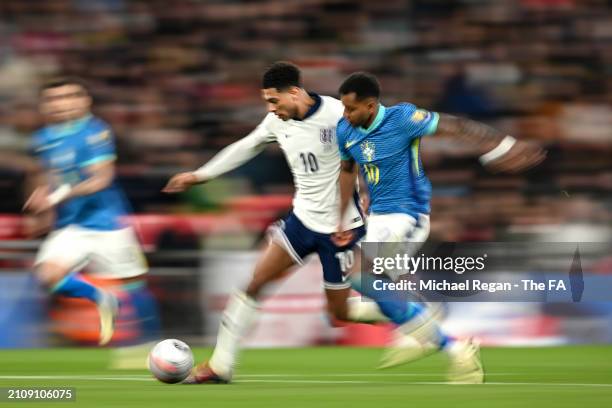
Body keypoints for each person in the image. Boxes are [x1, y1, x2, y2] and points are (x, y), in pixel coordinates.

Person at [163, 62, 414, 384]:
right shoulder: (276, 122)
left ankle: (409, 312)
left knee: (339, 314)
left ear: (294, 92)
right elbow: (246, 146)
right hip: (301, 222)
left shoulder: (339, 114)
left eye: (274, 101)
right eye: (267, 102)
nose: (271, 108)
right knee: (254, 284)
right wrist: (200, 175)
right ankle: (221, 365)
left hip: (342, 230)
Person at [335, 72, 546, 383]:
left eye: (351, 109)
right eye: (343, 108)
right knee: (359, 292)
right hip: (377, 218)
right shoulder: (345, 130)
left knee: (362, 276)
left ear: (370, 105)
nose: (345, 115)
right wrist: (342, 219)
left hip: (408, 214)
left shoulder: (403, 117)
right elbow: (347, 173)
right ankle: (419, 320)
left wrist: (504, 145)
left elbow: (456, 125)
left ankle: (448, 344)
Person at [24, 78, 148, 346]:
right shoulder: (43, 138)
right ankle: (101, 297)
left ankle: (150, 346)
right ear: (45, 105)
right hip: (70, 226)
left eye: (68, 96)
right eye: (54, 99)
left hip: (107, 224)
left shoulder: (96, 132)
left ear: (85, 100)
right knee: (47, 276)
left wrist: (55, 196)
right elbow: (46, 175)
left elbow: (101, 179)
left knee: (134, 285)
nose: (61, 104)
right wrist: (41, 210)